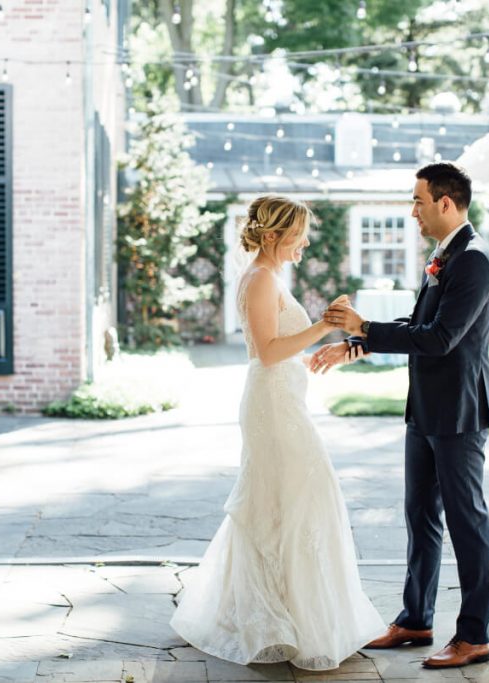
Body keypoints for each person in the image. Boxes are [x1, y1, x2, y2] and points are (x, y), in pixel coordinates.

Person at [170, 194, 385, 670]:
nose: (305, 242)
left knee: (286, 503)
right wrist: (323, 326)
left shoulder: (271, 278)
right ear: (272, 237)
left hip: (284, 401)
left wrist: (338, 350)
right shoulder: (260, 279)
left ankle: (284, 613)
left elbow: (287, 352)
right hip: (272, 407)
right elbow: (267, 353)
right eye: (298, 234)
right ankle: (276, 619)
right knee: (292, 499)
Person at [314, 162, 489, 670]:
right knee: (420, 516)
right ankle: (416, 619)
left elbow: (441, 339)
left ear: (445, 203)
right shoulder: (443, 257)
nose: (412, 210)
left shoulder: (475, 261)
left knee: (467, 523)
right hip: (424, 410)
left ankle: (475, 635)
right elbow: (420, 324)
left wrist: (368, 326)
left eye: (418, 200)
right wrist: (358, 342)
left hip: (458, 413)